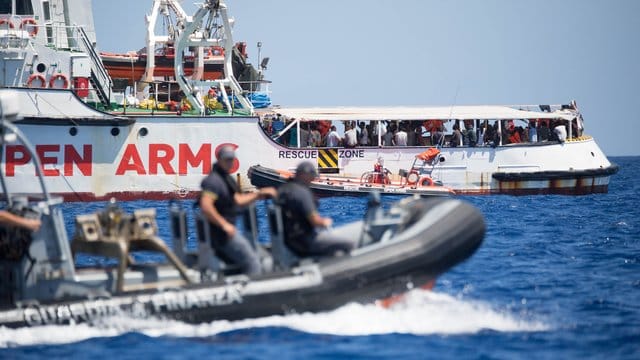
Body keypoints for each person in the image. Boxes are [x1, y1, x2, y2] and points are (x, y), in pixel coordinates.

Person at [199, 145, 276, 275]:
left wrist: (259, 194)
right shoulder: (213, 181)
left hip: (225, 233)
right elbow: (206, 206)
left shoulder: (225, 180)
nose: (230, 162)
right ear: (219, 160)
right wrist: (224, 225)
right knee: (253, 261)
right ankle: (253, 290)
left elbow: (238, 200)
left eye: (231, 159)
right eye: (227, 159)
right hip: (221, 235)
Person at [276, 162, 358, 257]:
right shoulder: (302, 192)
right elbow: (315, 221)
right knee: (349, 244)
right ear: (304, 175)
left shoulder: (284, 190)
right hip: (304, 241)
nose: (313, 179)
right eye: (311, 176)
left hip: (288, 240)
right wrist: (325, 222)